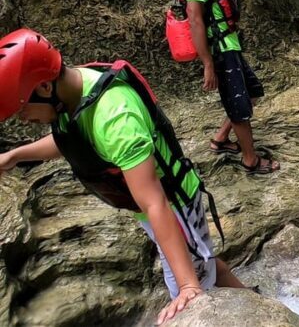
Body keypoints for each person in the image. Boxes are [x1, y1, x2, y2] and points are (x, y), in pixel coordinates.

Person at [0, 28, 246, 325]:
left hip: (173, 205)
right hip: (155, 207)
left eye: (21, 109)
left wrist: (187, 286)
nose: (23, 119)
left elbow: (154, 202)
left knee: (190, 296)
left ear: (43, 87)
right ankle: (252, 299)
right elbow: (71, 139)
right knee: (203, 263)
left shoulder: (116, 117)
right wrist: (15, 156)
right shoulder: (74, 90)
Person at [182, 0, 278, 175]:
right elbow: (195, 19)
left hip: (229, 46)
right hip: (221, 51)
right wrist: (208, 63)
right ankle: (250, 160)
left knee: (253, 90)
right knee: (238, 108)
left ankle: (221, 139)